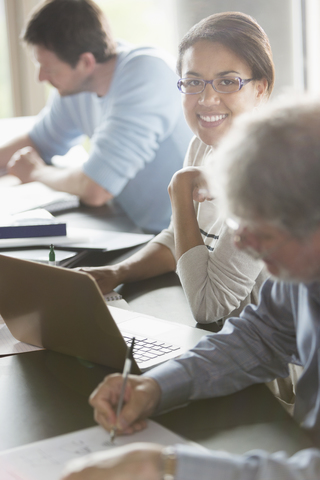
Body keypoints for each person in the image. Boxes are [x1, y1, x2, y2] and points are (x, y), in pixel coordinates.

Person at [61, 98, 320, 480]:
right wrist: (156, 387)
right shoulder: (300, 274)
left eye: (261, 232)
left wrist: (166, 467)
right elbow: (260, 338)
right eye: (237, 223)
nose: (244, 245)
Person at [80, 11, 275, 325]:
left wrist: (180, 188)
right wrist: (116, 273)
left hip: (264, 357)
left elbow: (209, 307)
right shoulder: (204, 144)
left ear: (260, 88)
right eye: (194, 82)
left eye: (227, 82)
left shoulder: (267, 178)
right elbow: (178, 238)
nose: (207, 99)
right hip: (221, 339)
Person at [1, 0, 192, 232]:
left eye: (48, 69)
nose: (40, 77)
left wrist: (37, 173)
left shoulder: (146, 74)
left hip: (183, 239)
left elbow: (97, 189)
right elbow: (37, 142)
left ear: (85, 62)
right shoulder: (76, 89)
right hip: (135, 228)